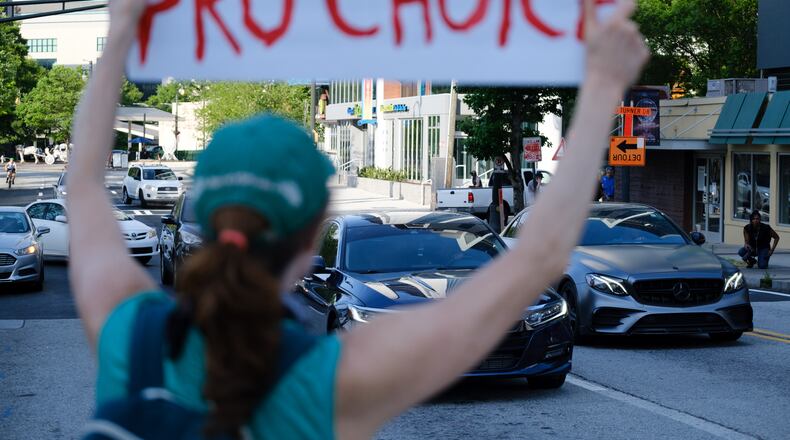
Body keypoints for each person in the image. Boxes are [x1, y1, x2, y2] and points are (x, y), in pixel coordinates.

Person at [67, 1, 648, 438]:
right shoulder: (333, 382)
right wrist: (602, 84)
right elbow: (537, 259)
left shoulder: (131, 333)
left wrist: (122, 32)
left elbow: (85, 189)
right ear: (311, 238)